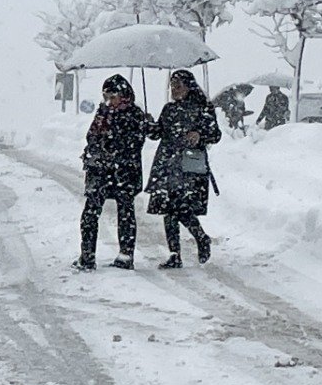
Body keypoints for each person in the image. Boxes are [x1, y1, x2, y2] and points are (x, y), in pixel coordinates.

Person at [77, 74, 154, 271]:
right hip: (100, 171)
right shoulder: (102, 113)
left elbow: (135, 143)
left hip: (124, 172)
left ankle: (126, 255)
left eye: (112, 96)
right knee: (90, 214)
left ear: (124, 95)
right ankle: (87, 256)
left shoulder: (135, 115)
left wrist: (114, 147)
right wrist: (97, 147)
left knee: (126, 212)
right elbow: (91, 136)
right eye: (106, 96)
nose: (109, 101)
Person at [148, 69, 222, 269]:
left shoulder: (202, 108)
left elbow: (215, 134)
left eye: (178, 86)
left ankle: (200, 238)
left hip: (189, 166)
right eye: (172, 86)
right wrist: (148, 125)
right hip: (168, 163)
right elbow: (158, 133)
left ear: (189, 87)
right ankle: (175, 253)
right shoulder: (169, 109)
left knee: (181, 208)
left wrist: (200, 134)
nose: (174, 90)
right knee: (169, 210)